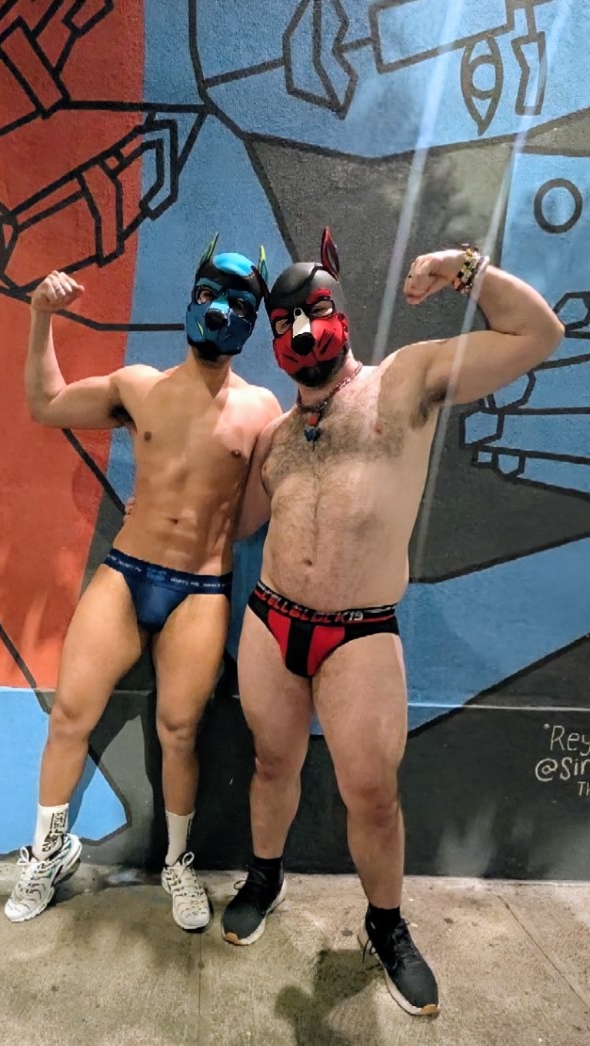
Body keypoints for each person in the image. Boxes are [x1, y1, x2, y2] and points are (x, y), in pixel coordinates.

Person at [220, 230, 564, 1015]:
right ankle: (265, 878)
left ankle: (384, 924)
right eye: (284, 322)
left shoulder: (402, 382)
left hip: (359, 632)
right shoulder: (275, 435)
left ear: (337, 310)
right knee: (271, 764)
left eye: (311, 312)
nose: (300, 331)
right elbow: (234, 524)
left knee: (372, 793)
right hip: (271, 620)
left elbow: (537, 334)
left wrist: (463, 269)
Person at [4, 236, 281, 930]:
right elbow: (46, 403)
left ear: (252, 320)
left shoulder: (261, 410)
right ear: (191, 298)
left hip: (202, 589)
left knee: (179, 731)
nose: (220, 312)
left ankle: (177, 864)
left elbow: (252, 516)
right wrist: (40, 315)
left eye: (238, 303)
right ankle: (47, 851)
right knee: (70, 714)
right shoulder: (139, 387)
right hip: (127, 573)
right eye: (210, 294)